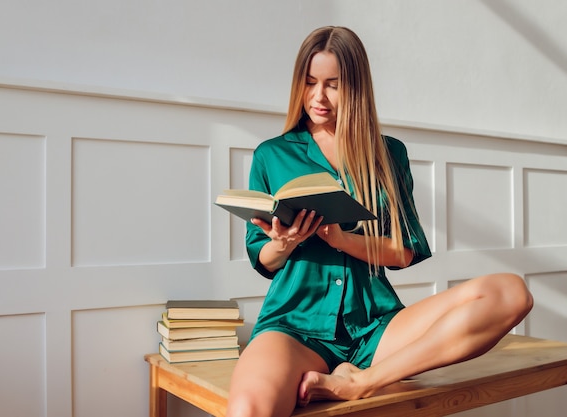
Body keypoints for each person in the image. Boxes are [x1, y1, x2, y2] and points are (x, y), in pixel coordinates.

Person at [226, 26, 533, 417]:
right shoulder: (271, 155)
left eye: (333, 85)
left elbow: (404, 251)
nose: (318, 97)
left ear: (355, 87)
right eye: (309, 83)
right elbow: (262, 259)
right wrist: (283, 244)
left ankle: (360, 382)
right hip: (292, 325)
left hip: (375, 327)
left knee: (511, 292)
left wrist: (341, 240)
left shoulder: (388, 154)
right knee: (249, 409)